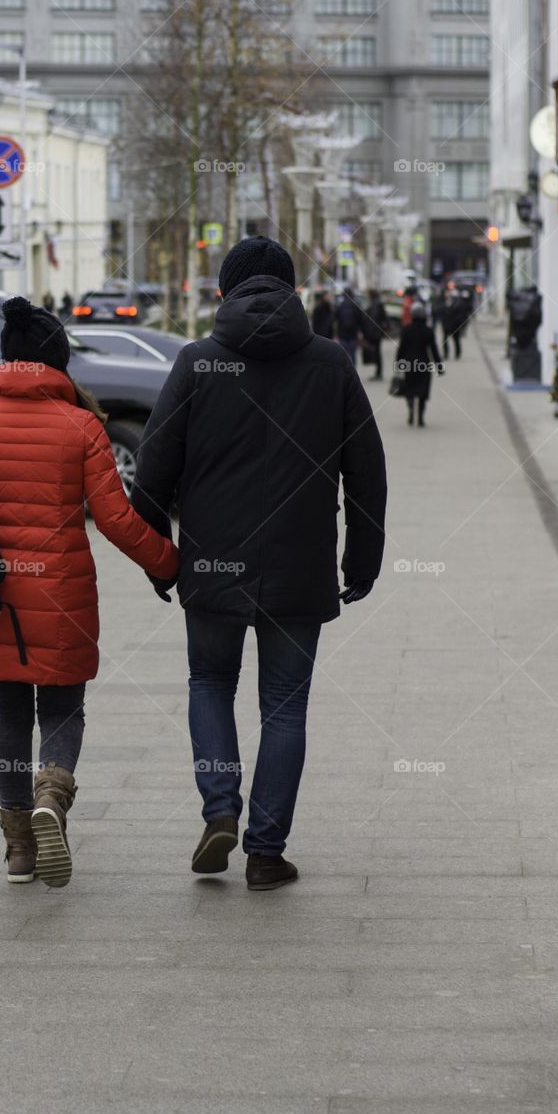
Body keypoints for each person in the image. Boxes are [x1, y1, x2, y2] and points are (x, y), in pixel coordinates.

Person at [131, 236, 387, 891]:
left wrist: (163, 563)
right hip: (299, 567)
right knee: (284, 709)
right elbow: (366, 476)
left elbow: (150, 477)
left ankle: (219, 808)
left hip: (210, 565)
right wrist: (362, 560)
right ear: (293, 290)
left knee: (208, 683)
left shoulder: (196, 363)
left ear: (224, 292)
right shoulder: (329, 364)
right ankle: (266, 853)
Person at [0, 297, 178, 888]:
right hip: (62, 597)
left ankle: (19, 849)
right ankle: (52, 795)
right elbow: (116, 520)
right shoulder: (83, 425)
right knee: (62, 707)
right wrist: (167, 563)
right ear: (58, 363)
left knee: (9, 713)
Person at [394, 301, 443, 427]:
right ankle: (420, 418)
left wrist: (398, 363)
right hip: (424, 364)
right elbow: (433, 349)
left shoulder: (406, 330)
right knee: (422, 391)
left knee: (409, 389)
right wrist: (439, 367)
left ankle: (411, 411)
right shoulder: (428, 331)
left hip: (409, 364)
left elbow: (401, 348)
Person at [360, 288, 389, 381]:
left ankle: (378, 373)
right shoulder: (375, 304)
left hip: (374, 333)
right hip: (375, 333)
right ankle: (378, 373)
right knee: (377, 352)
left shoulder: (376, 304)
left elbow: (375, 320)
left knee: (377, 353)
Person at [333, 287, 362, 363]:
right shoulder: (355, 305)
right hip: (353, 334)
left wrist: (335, 335)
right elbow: (360, 319)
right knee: (353, 355)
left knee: (344, 355)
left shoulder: (340, 305)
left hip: (342, 334)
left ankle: (345, 372)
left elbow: (334, 320)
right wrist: (360, 332)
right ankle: (354, 372)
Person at [442, 290, 469, 360]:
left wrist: (458, 324)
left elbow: (461, 316)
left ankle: (457, 354)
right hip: (446, 325)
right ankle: (446, 354)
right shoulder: (445, 303)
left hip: (454, 326)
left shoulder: (458, 304)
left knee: (456, 340)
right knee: (445, 340)